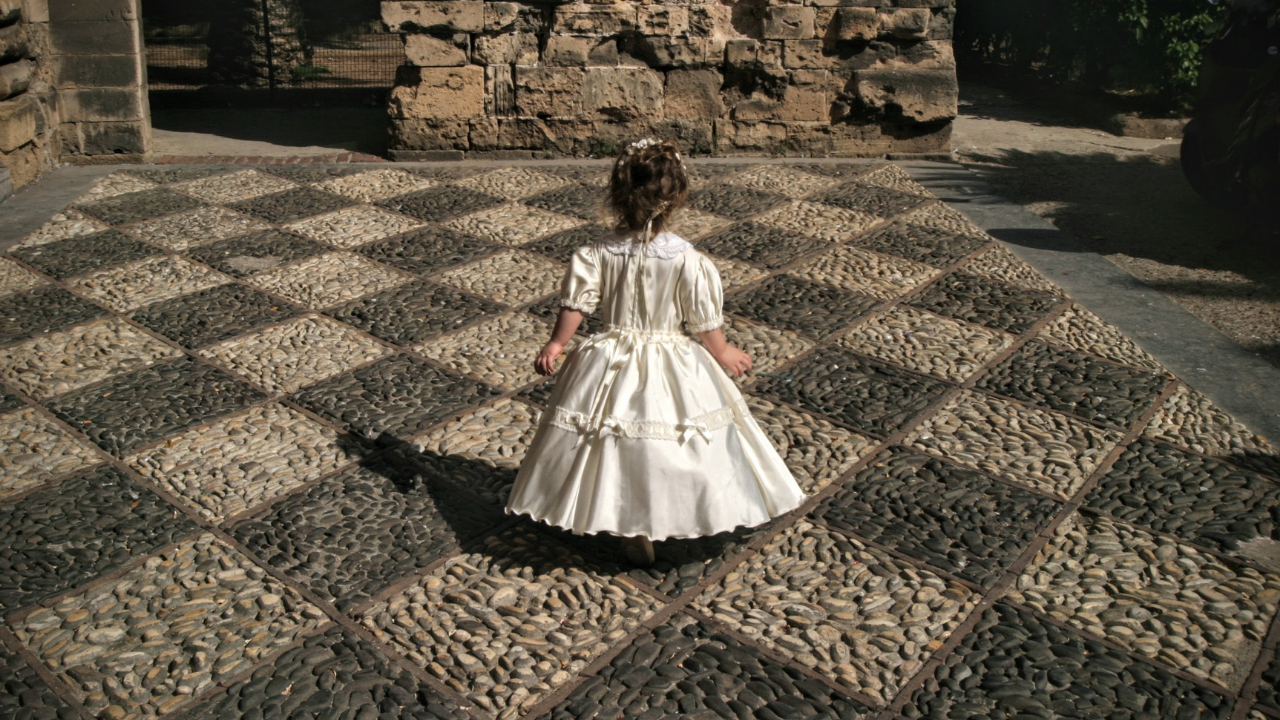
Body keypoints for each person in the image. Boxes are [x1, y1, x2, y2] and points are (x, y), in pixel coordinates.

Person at [505, 139, 806, 566]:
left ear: (618, 193)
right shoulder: (687, 259)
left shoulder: (596, 253)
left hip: (610, 355)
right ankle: (672, 509)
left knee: (608, 438)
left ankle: (624, 517)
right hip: (671, 358)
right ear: (676, 198)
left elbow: (577, 304)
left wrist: (557, 343)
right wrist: (722, 352)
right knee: (672, 440)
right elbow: (702, 319)